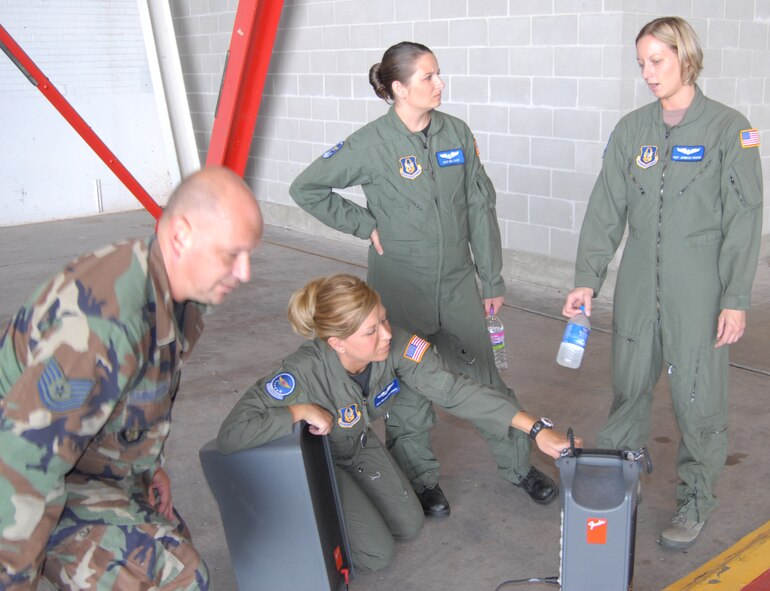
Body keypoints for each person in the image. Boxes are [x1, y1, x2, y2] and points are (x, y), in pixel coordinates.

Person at [289, 41, 556, 516]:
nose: (440, 84)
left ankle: (518, 467)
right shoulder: (370, 144)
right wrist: (364, 225)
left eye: (438, 74)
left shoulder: (456, 133)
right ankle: (421, 479)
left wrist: (491, 279)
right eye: (428, 77)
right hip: (399, 284)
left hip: (457, 282)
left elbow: (480, 205)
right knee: (407, 387)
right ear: (398, 88)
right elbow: (305, 187)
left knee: (484, 377)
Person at [0, 167, 264, 589]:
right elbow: (20, 470)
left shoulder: (176, 295)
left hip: (73, 456)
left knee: (172, 543)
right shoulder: (104, 326)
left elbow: (137, 396)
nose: (246, 272)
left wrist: (146, 466)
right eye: (232, 255)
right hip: (19, 466)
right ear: (180, 236)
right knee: (172, 576)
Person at [561, 16, 763, 551]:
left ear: (685, 56)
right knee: (628, 391)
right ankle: (620, 490)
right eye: (642, 64)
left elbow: (745, 218)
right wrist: (587, 278)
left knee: (698, 399)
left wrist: (735, 298)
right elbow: (606, 207)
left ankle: (696, 499)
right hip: (635, 289)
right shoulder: (633, 130)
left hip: (697, 289)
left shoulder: (728, 128)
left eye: (658, 61)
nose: (648, 74)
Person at [218, 274, 577, 572]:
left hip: (358, 445)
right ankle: (304, 521)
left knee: (409, 524)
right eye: (371, 331)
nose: (387, 334)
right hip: (318, 460)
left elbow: (455, 391)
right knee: (377, 555)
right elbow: (232, 434)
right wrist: (297, 412)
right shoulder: (300, 374)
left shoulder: (398, 346)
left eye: (384, 319)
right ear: (337, 343)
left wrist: (535, 429)